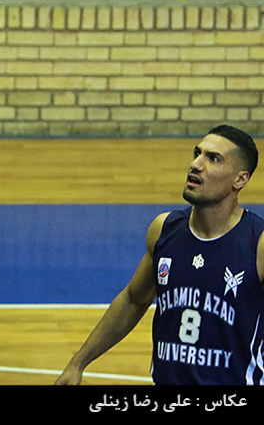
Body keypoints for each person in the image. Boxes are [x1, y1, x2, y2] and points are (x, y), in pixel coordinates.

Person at [56, 125, 264, 385]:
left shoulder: (258, 244)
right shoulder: (164, 230)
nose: (196, 165)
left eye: (213, 159)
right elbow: (134, 300)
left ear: (240, 179)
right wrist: (78, 362)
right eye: (197, 153)